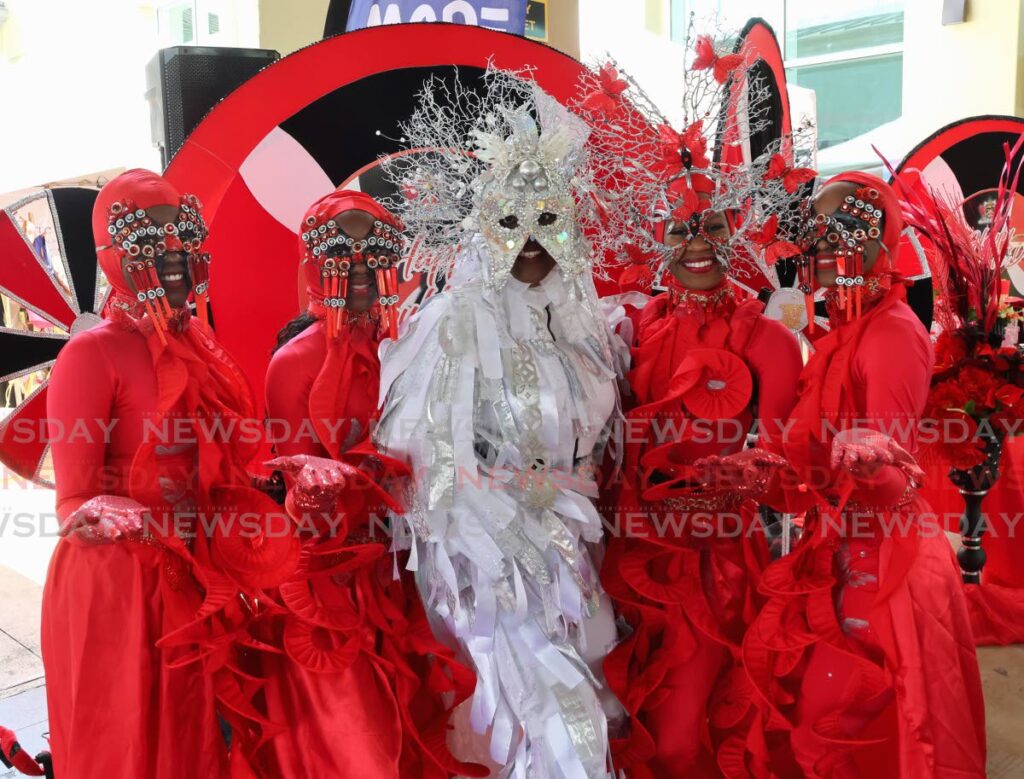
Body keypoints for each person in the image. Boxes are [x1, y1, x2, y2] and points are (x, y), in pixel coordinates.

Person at [375, 68, 629, 777]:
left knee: (566, 689)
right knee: (542, 708)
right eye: (509, 222)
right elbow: (418, 447)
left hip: (571, 550)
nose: (529, 241)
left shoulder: (587, 325)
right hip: (499, 562)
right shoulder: (456, 321)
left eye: (547, 219)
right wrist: (498, 532)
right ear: (483, 225)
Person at [576, 50, 806, 776]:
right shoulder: (631, 328)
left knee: (683, 732)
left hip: (716, 564)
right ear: (659, 242)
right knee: (630, 720)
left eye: (710, 225)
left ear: (732, 232)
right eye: (681, 230)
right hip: (630, 556)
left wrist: (746, 475)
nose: (697, 243)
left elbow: (788, 463)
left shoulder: (770, 340)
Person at [41, 169, 292, 779]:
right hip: (122, 590)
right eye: (149, 242)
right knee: (135, 745)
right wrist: (113, 514)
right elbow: (73, 498)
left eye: (182, 239)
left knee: (207, 740)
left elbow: (223, 461)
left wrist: (269, 489)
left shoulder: (202, 342)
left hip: (205, 570)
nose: (172, 257)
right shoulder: (90, 353)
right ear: (112, 255)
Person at [737, 173, 987, 777]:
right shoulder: (844, 330)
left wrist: (823, 468)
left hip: (884, 566)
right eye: (815, 233)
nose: (824, 247)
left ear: (884, 242)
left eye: (846, 230)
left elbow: (890, 476)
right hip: (841, 549)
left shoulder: (890, 334)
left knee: (857, 724)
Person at [256, 189, 480, 779]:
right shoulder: (295, 363)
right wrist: (322, 485)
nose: (358, 267)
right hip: (331, 584)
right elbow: (293, 487)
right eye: (339, 252)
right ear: (312, 260)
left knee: (420, 727)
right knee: (361, 745)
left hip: (408, 569)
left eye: (372, 250)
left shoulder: (409, 344)